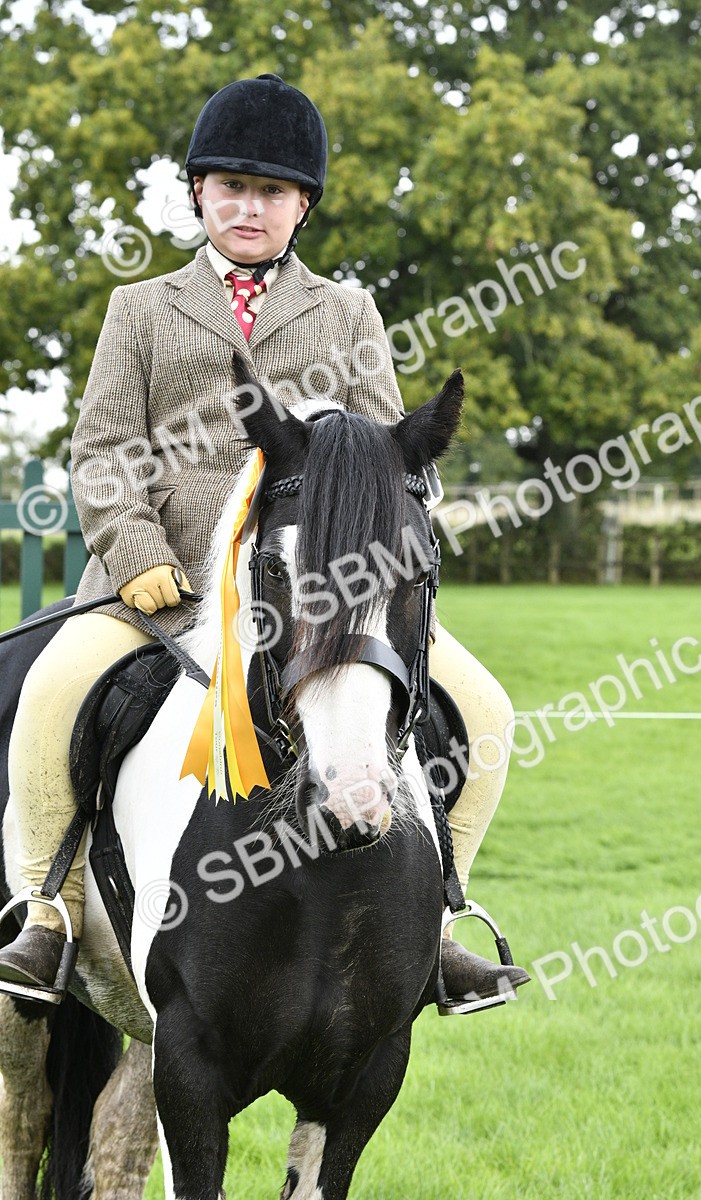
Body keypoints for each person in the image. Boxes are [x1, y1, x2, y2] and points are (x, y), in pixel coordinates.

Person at [0, 74, 529, 1010]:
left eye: (273, 192)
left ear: (303, 207)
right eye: (231, 187)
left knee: (485, 712)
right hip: (159, 589)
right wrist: (134, 552)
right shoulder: (143, 309)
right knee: (50, 690)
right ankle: (48, 910)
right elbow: (104, 449)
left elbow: (389, 459)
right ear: (198, 193)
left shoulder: (347, 313)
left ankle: (442, 917)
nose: (251, 207)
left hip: (319, 594)